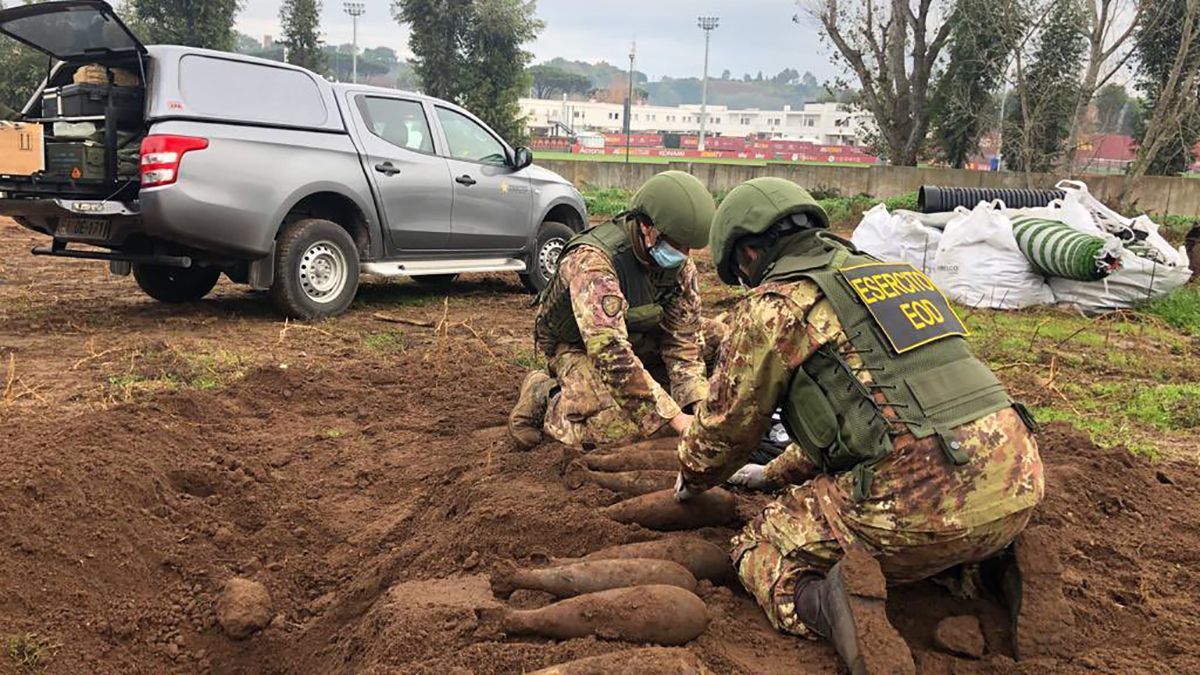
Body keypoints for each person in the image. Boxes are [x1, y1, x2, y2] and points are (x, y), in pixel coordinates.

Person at [674, 177, 1046, 674]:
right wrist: (774, 473)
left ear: (747, 255)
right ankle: (999, 560)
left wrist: (693, 475)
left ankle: (832, 608)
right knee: (941, 508)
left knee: (757, 545)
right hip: (1018, 480)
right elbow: (875, 413)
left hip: (917, 500)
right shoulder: (900, 276)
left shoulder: (776, 306)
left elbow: (726, 428)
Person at [508, 170, 724, 450]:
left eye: (688, 247)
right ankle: (546, 395)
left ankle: (653, 387)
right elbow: (610, 353)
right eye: (676, 244)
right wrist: (671, 417)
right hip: (579, 346)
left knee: (726, 337)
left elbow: (683, 339)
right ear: (647, 227)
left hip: (638, 334)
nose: (683, 254)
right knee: (615, 431)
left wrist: (696, 403)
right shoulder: (593, 264)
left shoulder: (679, 265)